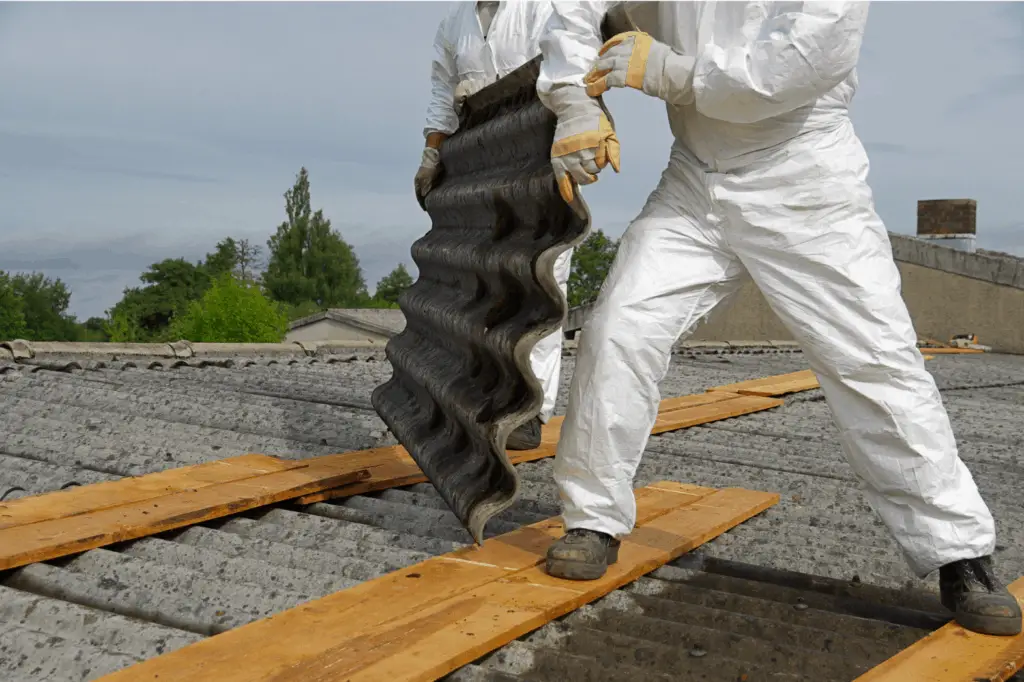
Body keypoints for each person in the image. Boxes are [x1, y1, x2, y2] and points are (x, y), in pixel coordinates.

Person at [535, 1, 1021, 637]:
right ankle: (593, 518)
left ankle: (959, 553)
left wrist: (670, 73)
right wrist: (576, 102)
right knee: (618, 328)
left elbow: (792, 66)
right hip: (694, 179)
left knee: (873, 361)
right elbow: (575, 8)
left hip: (804, 177)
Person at [415, 0, 571, 450]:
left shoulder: (542, 8)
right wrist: (432, 153)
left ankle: (531, 409)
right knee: (482, 277)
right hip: (478, 153)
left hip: (540, 148)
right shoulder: (455, 23)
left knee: (541, 277)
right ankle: (482, 394)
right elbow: (443, 92)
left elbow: (571, 69)